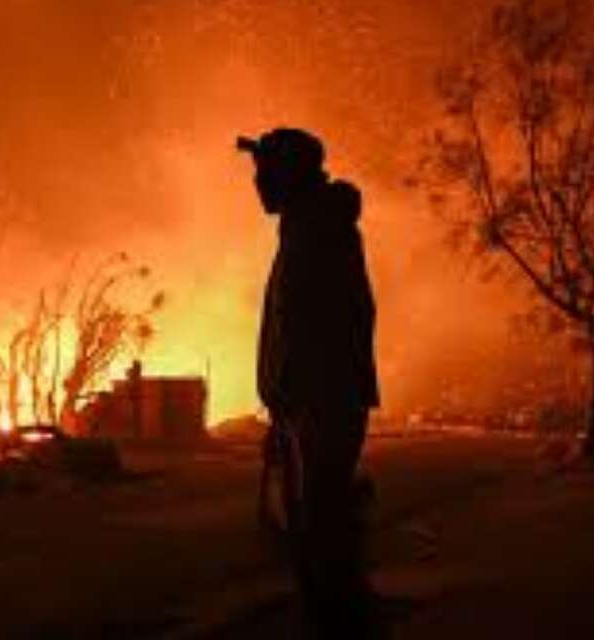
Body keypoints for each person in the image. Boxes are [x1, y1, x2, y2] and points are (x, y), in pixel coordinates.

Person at [237, 128, 381, 638]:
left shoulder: (315, 234)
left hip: (319, 407)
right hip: (312, 407)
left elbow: (313, 329)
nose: (257, 184)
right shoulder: (311, 227)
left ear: (289, 176)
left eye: (265, 173)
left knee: (321, 543)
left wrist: (292, 401)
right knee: (320, 535)